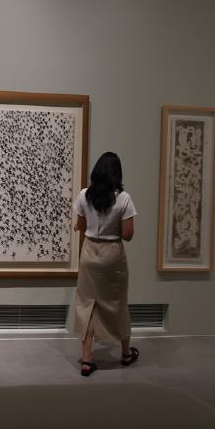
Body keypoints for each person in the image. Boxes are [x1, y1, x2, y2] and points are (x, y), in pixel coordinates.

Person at [73, 152, 138, 377]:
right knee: (118, 301)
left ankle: (87, 359)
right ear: (117, 174)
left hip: (89, 252)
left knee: (88, 303)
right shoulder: (124, 198)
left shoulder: (84, 195)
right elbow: (128, 235)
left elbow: (81, 226)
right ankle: (126, 353)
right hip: (112, 254)